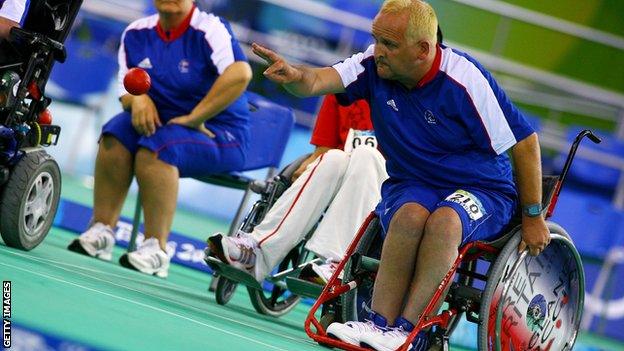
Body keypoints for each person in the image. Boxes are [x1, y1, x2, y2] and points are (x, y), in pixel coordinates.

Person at [251, 0, 550, 350]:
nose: (378, 51)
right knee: (407, 217)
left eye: (389, 45)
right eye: (376, 40)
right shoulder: (371, 66)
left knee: (445, 222)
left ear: (423, 50)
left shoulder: (464, 79)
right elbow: (316, 79)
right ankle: (379, 326)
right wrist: (294, 76)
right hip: (415, 182)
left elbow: (526, 143)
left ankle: (409, 332)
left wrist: (533, 215)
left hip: (482, 188)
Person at [67, 0, 252, 279]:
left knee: (157, 149)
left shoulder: (209, 29)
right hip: (165, 124)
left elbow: (241, 73)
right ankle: (101, 231)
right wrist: (138, 99)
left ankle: (156, 249)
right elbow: (126, 88)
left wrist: (195, 117)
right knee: (115, 134)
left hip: (218, 132)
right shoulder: (136, 33)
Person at [207, 94, 387, 284]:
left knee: (366, 155)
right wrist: (308, 170)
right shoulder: (345, 86)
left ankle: (340, 265)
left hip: (389, 188)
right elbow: (323, 150)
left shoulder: (412, 98)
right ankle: (257, 250)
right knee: (333, 158)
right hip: (343, 181)